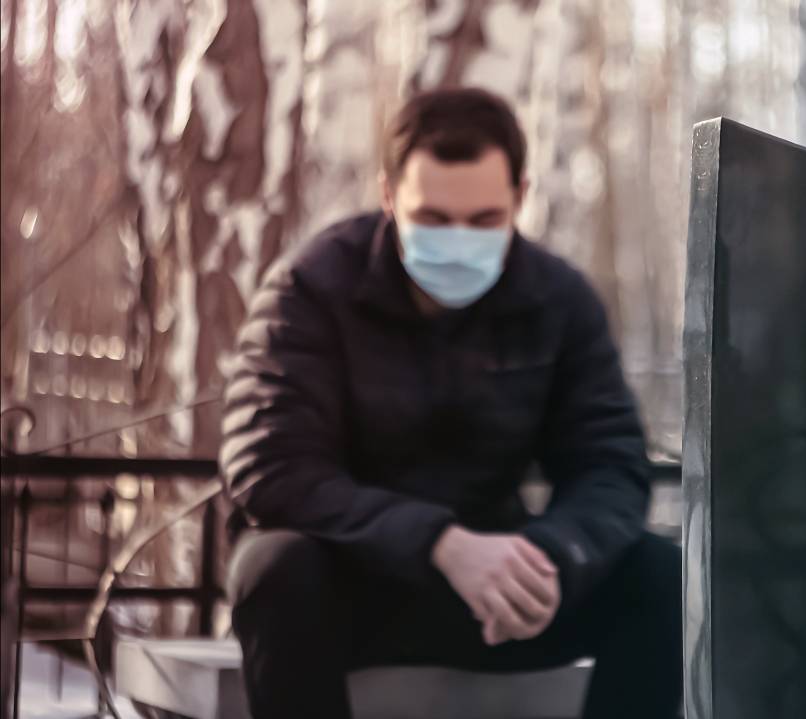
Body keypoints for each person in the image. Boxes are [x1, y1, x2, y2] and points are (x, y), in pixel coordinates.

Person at [219, 86, 681, 719]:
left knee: (659, 574)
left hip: (501, 597)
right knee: (274, 565)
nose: (459, 239)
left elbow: (611, 464)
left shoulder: (559, 300)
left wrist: (552, 557)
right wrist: (438, 542)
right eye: (433, 218)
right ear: (389, 197)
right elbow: (270, 468)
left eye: (485, 219)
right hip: (350, 589)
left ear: (521, 197)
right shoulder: (311, 287)